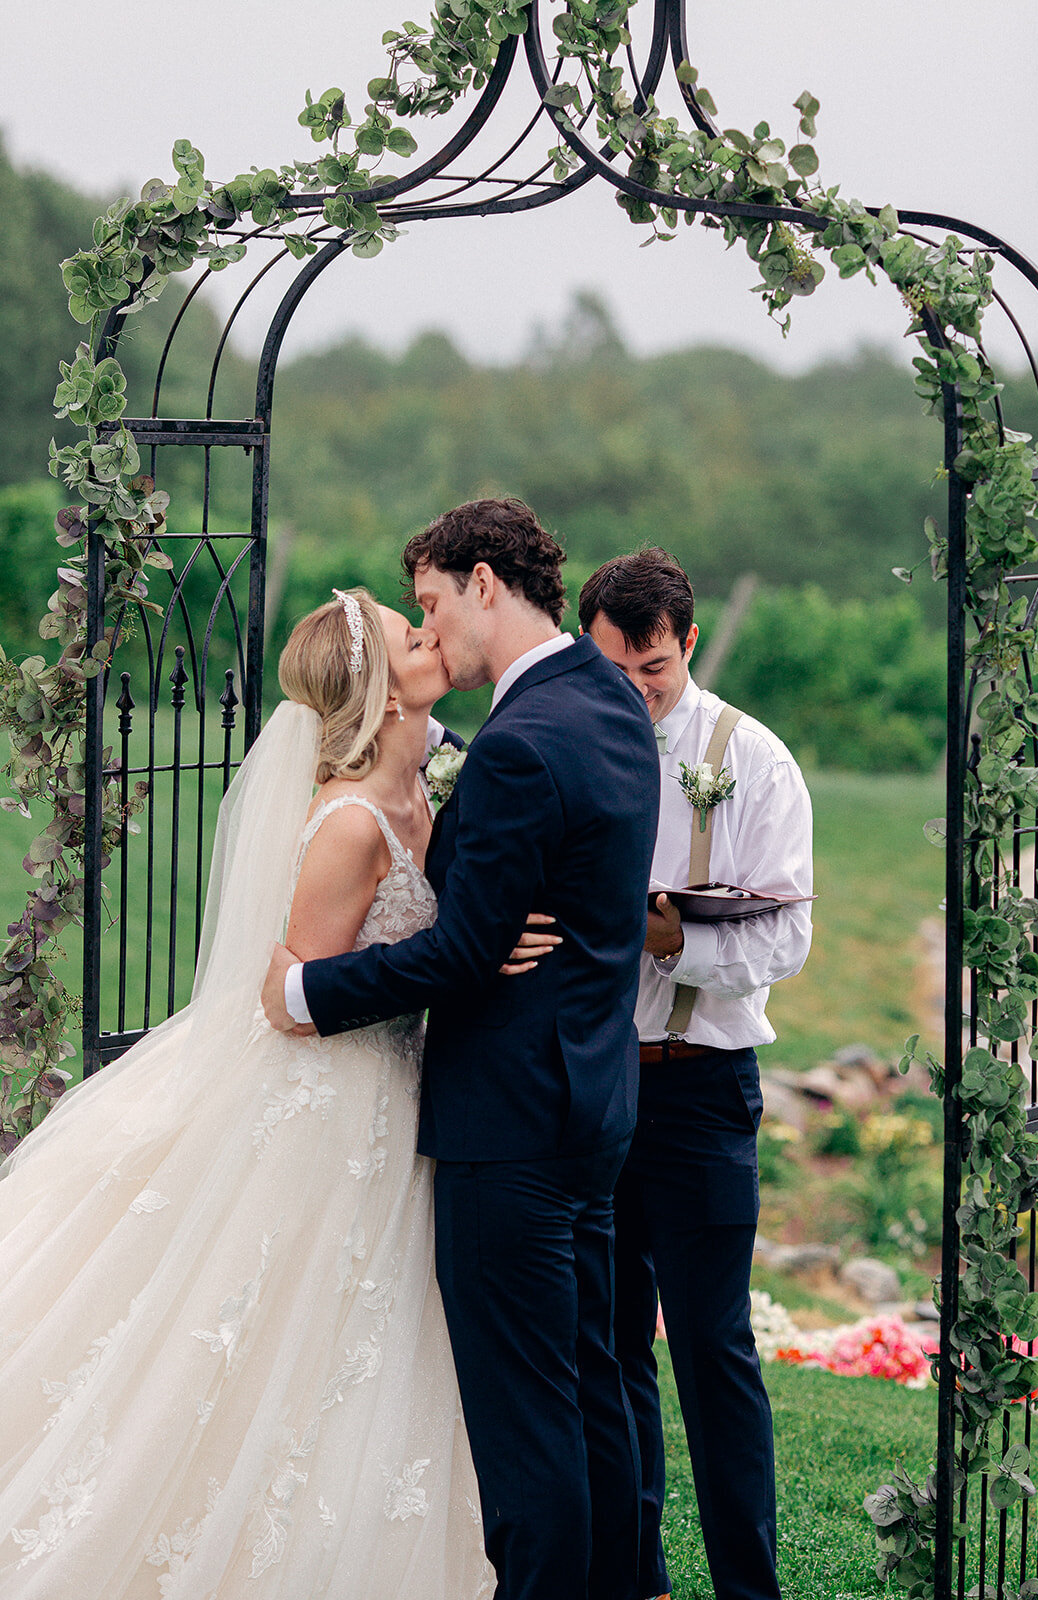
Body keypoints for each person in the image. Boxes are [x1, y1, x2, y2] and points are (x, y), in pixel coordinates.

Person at [0, 586, 558, 1599]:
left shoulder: (426, 788)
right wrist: (469, 954)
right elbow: (295, 995)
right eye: (407, 631)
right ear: (384, 692)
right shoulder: (347, 823)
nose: (427, 634)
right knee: (268, 1320)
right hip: (330, 1099)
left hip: (397, 1092)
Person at [262, 498, 661, 1600]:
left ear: (485, 582)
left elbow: (460, 955)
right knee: (592, 1397)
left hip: (511, 1133)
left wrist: (302, 987)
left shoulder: (521, 748)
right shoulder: (609, 701)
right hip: (591, 1111)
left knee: (528, 1437)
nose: (428, 631)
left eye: (433, 603)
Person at [579, 549, 813, 1600]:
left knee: (712, 1354)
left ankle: (746, 1590)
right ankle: (638, 1578)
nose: (633, 691)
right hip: (588, 1083)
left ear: (683, 643)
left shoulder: (751, 758)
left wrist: (674, 942)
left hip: (700, 1089)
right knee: (610, 1342)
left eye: (653, 671)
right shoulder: (563, 743)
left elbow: (788, 935)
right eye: (614, 671)